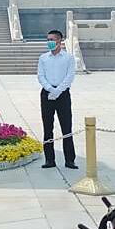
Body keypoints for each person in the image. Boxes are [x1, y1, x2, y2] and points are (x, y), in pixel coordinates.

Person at [38, 29, 77, 169]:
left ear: (60, 41)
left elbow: (70, 76)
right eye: (48, 40)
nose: (50, 42)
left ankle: (70, 160)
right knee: (48, 127)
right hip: (47, 94)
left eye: (52, 39)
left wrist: (58, 90)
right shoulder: (43, 58)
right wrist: (50, 89)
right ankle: (49, 159)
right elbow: (40, 76)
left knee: (66, 127)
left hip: (63, 95)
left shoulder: (68, 58)